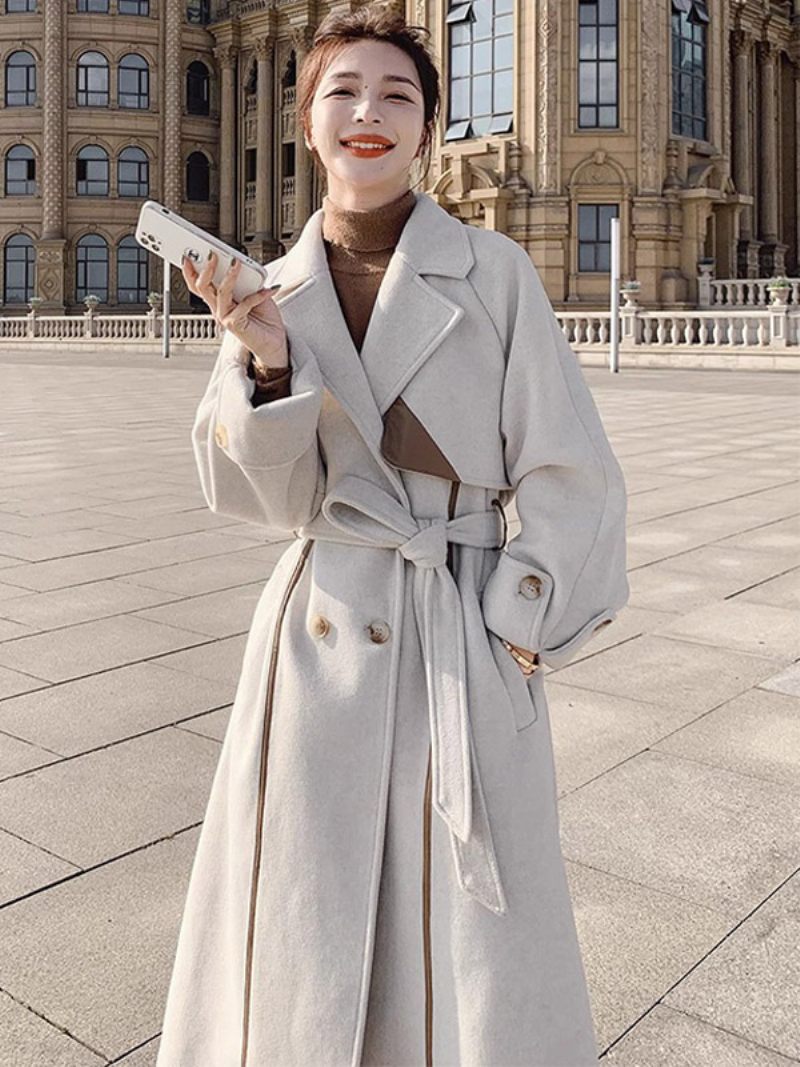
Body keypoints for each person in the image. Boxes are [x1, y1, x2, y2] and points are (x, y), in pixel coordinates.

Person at [156, 5, 629, 1066]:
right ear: (307, 121)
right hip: (316, 630)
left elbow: (570, 469)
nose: (367, 113)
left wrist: (516, 625)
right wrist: (267, 362)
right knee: (302, 908)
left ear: (426, 128)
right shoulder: (264, 290)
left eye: (396, 96)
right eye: (343, 92)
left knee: (469, 935)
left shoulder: (494, 271)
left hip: (455, 626)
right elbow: (258, 498)